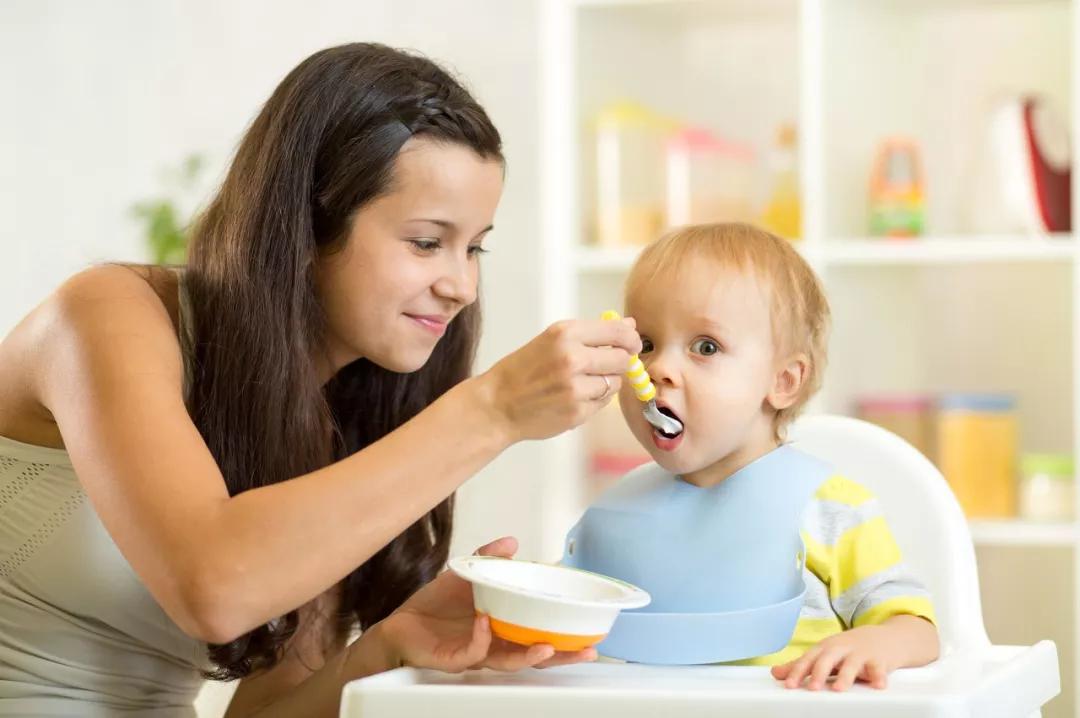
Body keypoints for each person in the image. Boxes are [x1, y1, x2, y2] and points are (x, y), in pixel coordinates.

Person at [0, 43, 640, 716]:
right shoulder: (105, 317)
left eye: (474, 246)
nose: (461, 286)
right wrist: (493, 411)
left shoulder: (340, 425)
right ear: (308, 224)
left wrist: (389, 649)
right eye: (427, 242)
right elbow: (213, 586)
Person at [567, 222, 939, 691]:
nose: (658, 368)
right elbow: (568, 619)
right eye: (646, 345)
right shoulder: (616, 513)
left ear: (783, 382)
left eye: (706, 347)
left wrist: (875, 644)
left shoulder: (827, 509)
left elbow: (917, 629)